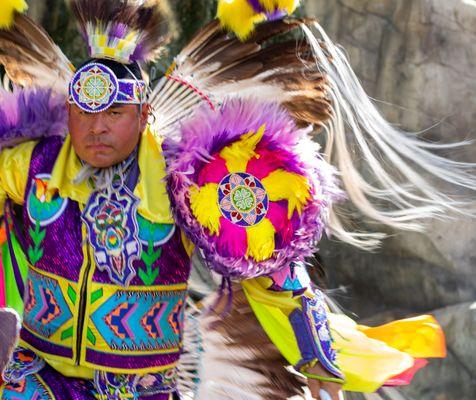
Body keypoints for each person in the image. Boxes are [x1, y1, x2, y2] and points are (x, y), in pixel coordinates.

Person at [0, 0, 466, 399]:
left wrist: (314, 351)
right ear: (68, 112)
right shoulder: (29, 165)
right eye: (84, 113)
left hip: (136, 387)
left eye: (114, 113)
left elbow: (271, 266)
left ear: (143, 115)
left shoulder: (187, 179)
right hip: (38, 376)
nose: (96, 127)